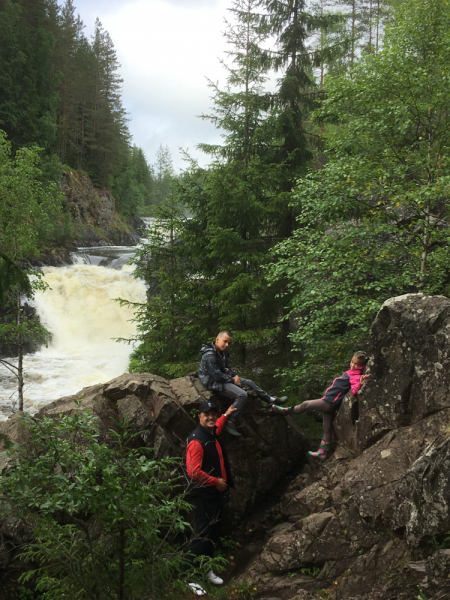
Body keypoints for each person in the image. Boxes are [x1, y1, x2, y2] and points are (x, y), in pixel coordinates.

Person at [271, 351, 370, 461]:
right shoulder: (352, 372)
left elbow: (355, 391)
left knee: (306, 404)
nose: (353, 365)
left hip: (329, 403)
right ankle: (322, 453)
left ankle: (285, 411)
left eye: (357, 364)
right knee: (327, 428)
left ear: (362, 366)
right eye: (352, 362)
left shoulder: (356, 375)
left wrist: (361, 383)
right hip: (329, 401)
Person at [185, 400, 237, 596]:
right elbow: (193, 472)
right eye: (206, 414)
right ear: (199, 416)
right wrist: (215, 481)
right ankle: (189, 575)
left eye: (213, 414)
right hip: (203, 496)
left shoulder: (211, 432)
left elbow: (218, 425)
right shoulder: (197, 440)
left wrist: (227, 413)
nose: (211, 417)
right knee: (201, 534)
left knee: (213, 533)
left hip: (214, 495)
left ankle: (206, 568)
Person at [198, 330, 287, 437]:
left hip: (222, 377)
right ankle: (230, 422)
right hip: (213, 382)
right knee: (242, 395)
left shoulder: (223, 352)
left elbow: (228, 368)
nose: (226, 345)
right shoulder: (209, 355)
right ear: (217, 339)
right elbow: (216, 375)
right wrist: (233, 380)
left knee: (249, 382)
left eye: (229, 343)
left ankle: (270, 399)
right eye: (225, 341)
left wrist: (235, 375)